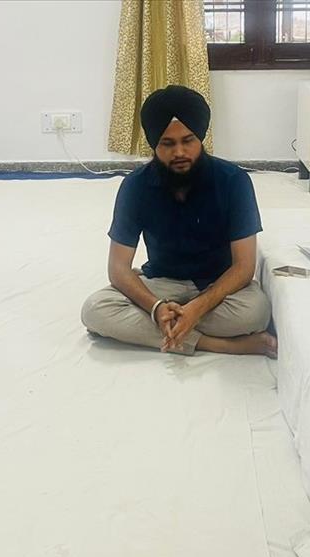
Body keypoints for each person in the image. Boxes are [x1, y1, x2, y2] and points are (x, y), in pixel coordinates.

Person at [81, 85, 276, 357]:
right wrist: (156, 307)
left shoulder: (233, 181)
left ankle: (176, 329)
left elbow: (244, 266)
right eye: (168, 144)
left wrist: (197, 308)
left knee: (256, 312)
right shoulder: (135, 186)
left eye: (188, 140)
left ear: (201, 139)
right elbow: (118, 267)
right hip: (161, 282)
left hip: (218, 286)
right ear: (154, 145)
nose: (180, 152)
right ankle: (218, 344)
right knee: (95, 310)